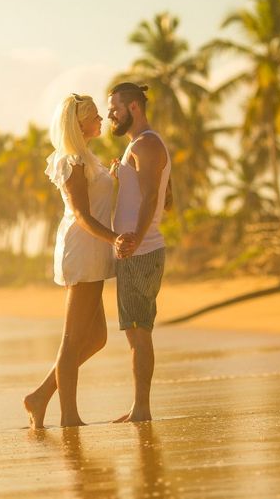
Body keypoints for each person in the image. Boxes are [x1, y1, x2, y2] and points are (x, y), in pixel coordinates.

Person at [23, 93, 136, 429]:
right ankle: (68, 417)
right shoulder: (70, 160)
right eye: (96, 117)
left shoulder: (88, 158)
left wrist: (113, 177)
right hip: (83, 249)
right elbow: (82, 216)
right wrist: (114, 238)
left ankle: (41, 395)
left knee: (97, 337)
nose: (102, 120)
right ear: (80, 123)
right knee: (71, 341)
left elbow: (97, 199)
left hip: (94, 251)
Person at [107, 82, 172, 423]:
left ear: (133, 107)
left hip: (140, 252)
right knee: (137, 330)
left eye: (114, 108)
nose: (110, 116)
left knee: (138, 331)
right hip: (141, 250)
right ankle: (139, 407)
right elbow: (166, 197)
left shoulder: (146, 144)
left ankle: (141, 408)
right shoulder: (142, 144)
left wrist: (136, 239)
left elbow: (151, 199)